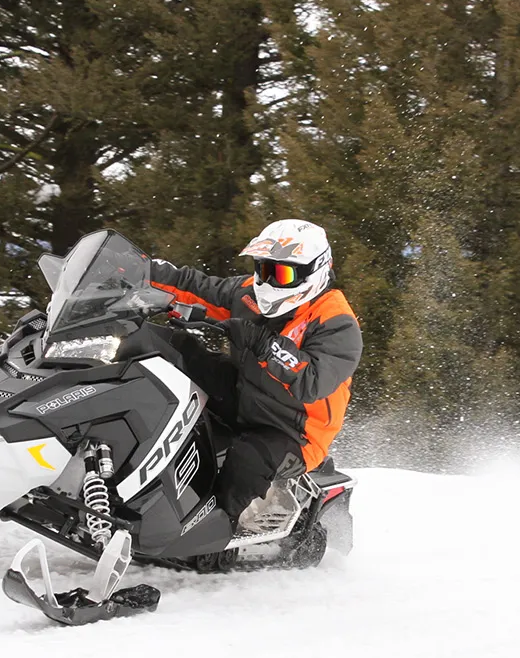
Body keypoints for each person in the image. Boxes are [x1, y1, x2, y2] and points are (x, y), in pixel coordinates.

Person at [148, 219, 362, 535]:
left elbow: (312, 381)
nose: (267, 281)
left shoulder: (337, 323)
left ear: (313, 272)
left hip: (294, 431)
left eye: (281, 274)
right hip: (246, 394)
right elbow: (198, 288)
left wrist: (262, 342)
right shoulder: (250, 293)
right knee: (168, 346)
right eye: (263, 269)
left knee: (247, 459)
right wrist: (144, 272)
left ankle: (213, 535)